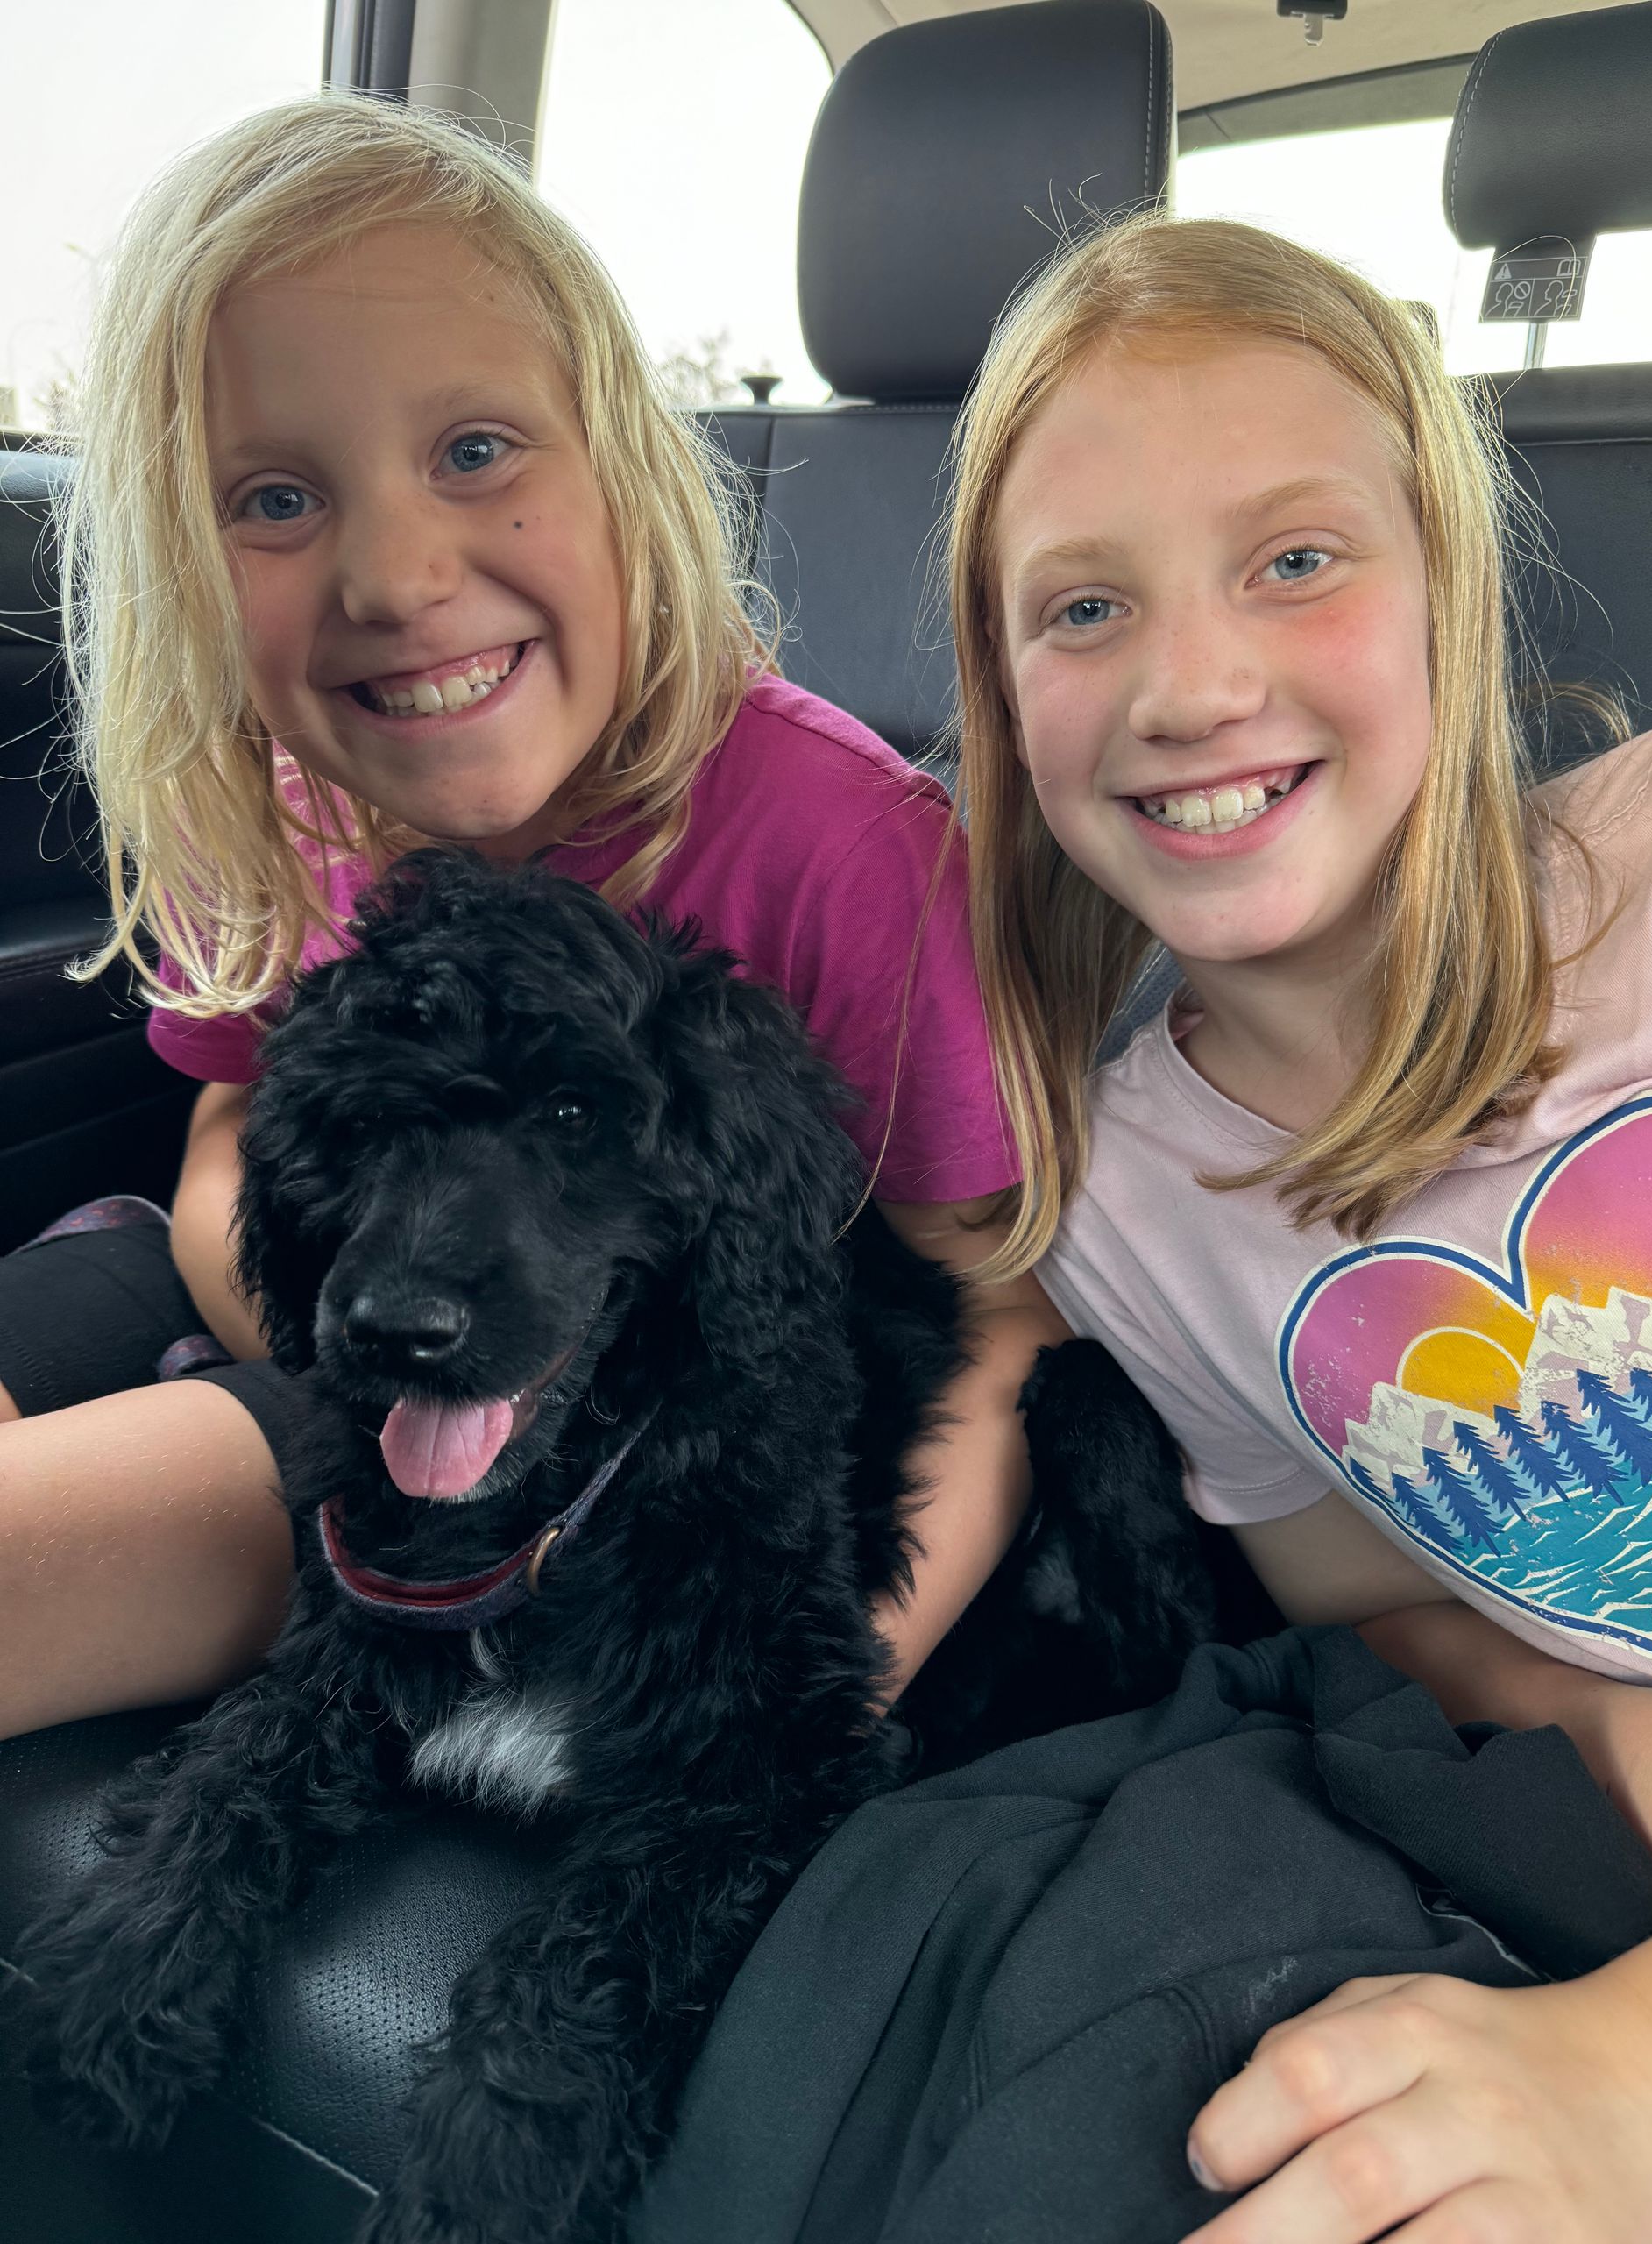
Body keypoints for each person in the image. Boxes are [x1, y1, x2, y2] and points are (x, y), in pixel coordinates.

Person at [0, 95, 1061, 1743]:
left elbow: (990, 1313)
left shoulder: (844, 844)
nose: (395, 577)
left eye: (474, 453)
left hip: (598, 1433)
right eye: (272, 498)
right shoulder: (285, 792)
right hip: (319, 1333)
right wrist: (339, 1336)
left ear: (625, 466)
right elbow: (230, 1129)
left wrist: (817, 1684)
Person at [949, 211, 1652, 2242]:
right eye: (1084, 606)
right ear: (1002, 690)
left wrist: (1649, 2066)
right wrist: (1614, 1724)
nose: (1192, 685)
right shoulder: (1127, 1204)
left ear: (1450, 584)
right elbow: (1383, 1607)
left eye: (1295, 559)